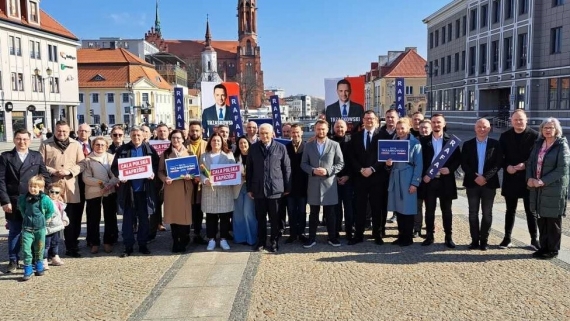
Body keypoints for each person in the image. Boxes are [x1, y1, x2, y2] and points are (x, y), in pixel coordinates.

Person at [0, 128, 50, 273]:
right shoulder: (5, 157)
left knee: (35, 231)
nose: (22, 142)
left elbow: (45, 175)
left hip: (33, 201)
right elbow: (1, 180)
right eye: (19, 139)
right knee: (15, 231)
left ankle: (36, 259)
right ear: (14, 139)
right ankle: (13, 259)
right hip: (14, 200)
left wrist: (49, 195)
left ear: (30, 140)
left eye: (25, 139)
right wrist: (4, 200)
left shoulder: (35, 155)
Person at [111, 126, 159, 257]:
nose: (136, 137)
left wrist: (153, 173)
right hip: (129, 190)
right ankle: (128, 246)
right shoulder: (122, 149)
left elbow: (156, 165)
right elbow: (114, 167)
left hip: (144, 189)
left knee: (144, 218)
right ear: (130, 136)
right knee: (128, 219)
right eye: (133, 135)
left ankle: (143, 244)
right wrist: (120, 176)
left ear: (143, 136)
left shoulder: (149, 149)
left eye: (138, 135)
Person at [39, 120, 85, 258]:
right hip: (53, 187)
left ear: (69, 131)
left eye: (64, 131)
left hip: (71, 187)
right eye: (59, 131)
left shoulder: (75, 144)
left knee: (73, 219)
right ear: (55, 130)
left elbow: (82, 164)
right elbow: (39, 163)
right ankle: (52, 250)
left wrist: (69, 171)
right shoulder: (46, 144)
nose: (62, 133)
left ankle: (72, 246)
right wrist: (53, 170)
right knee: (52, 219)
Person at [526, 117, 570, 260]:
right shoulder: (539, 143)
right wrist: (530, 179)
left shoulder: (561, 145)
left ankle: (553, 249)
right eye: (545, 128)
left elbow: (562, 169)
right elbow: (531, 162)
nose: (548, 130)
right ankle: (543, 246)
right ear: (542, 130)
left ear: (556, 130)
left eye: (551, 128)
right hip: (538, 188)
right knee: (542, 218)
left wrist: (542, 181)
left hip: (554, 189)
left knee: (553, 221)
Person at [246, 123, 291, 252]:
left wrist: (287, 187)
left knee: (275, 218)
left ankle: (274, 242)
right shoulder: (253, 148)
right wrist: (249, 188)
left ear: (272, 134)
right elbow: (249, 169)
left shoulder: (281, 148)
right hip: (258, 189)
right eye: (262, 133)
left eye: (267, 133)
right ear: (258, 134)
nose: (264, 135)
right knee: (260, 218)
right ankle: (261, 242)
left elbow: (286, 168)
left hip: (275, 190)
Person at [498, 109, 539, 249]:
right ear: (511, 121)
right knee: (510, 210)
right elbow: (499, 157)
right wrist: (506, 166)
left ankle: (534, 239)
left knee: (531, 211)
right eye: (515, 120)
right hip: (510, 177)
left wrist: (526, 165)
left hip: (528, 178)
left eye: (521, 119)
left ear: (526, 120)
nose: (518, 122)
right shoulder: (504, 136)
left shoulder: (535, 136)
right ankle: (507, 238)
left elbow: (538, 158)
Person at [419, 114, 461, 248]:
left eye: (439, 122)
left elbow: (457, 159)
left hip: (446, 180)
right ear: (431, 124)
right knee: (429, 211)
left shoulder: (451, 141)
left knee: (447, 211)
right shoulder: (423, 141)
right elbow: (420, 161)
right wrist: (424, 175)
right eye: (434, 122)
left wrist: (450, 169)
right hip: (429, 180)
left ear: (444, 124)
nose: (436, 125)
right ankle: (429, 236)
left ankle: (448, 237)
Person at [301, 120, 344, 248]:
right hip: (314, 183)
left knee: (330, 213)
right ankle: (312, 238)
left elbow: (340, 163)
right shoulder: (308, 146)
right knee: (313, 213)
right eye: (318, 129)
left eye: (323, 129)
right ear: (315, 129)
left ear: (327, 130)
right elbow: (303, 164)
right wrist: (313, 170)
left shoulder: (334, 145)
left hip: (329, 184)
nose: (321, 131)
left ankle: (332, 237)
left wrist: (328, 171)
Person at [461, 118, 503, 251]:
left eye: (484, 127)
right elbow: (464, 164)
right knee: (473, 213)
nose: (482, 129)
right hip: (472, 184)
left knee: (487, 213)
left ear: (489, 128)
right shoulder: (467, 144)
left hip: (489, 184)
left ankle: (484, 241)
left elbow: (498, 164)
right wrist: (475, 177)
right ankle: (474, 240)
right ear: (475, 128)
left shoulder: (495, 144)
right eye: (479, 126)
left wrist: (485, 177)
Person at [347, 110, 385, 245]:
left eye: (372, 119)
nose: (369, 121)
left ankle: (377, 234)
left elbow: (384, 156)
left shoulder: (382, 135)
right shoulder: (355, 137)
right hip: (360, 177)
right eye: (367, 118)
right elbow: (351, 157)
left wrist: (373, 169)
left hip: (377, 177)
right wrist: (361, 169)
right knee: (360, 208)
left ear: (376, 120)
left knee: (377, 208)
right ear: (363, 120)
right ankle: (358, 234)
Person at [385, 118, 423, 246]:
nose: (400, 131)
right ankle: (401, 235)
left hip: (408, 177)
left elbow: (419, 165)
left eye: (403, 128)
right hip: (396, 177)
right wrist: (388, 163)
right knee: (398, 208)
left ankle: (408, 237)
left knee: (408, 209)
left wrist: (415, 183)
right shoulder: (393, 141)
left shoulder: (415, 143)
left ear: (408, 128)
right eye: (398, 128)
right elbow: (389, 161)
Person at [158, 129, 195, 253]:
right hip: (172, 188)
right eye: (173, 138)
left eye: (178, 138)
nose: (176, 140)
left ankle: (184, 239)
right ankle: (175, 241)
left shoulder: (189, 152)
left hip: (185, 187)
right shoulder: (166, 153)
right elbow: (160, 171)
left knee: (184, 216)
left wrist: (192, 175)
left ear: (183, 139)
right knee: (173, 216)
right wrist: (164, 178)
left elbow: (194, 170)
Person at [82, 137, 119, 254]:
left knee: (110, 217)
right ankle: (94, 242)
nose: (100, 147)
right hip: (93, 192)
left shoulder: (111, 158)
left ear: (107, 146)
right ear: (93, 146)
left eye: (102, 145)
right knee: (93, 218)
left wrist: (110, 184)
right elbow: (86, 178)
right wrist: (102, 183)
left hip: (109, 190)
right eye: (97, 144)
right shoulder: (87, 159)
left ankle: (108, 241)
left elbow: (116, 174)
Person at [200, 133, 236, 251]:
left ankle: (223, 238)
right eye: (214, 140)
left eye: (219, 141)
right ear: (210, 142)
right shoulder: (204, 156)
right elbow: (199, 173)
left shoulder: (228, 156)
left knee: (225, 216)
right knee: (211, 216)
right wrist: (205, 180)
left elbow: (233, 173)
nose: (216, 143)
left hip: (225, 190)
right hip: (209, 190)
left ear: (222, 143)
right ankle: (211, 239)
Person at [18, 175, 55, 281]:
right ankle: (28, 269)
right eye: (30, 186)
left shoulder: (45, 199)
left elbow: (50, 210)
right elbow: (22, 209)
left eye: (35, 187)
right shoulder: (24, 199)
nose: (32, 189)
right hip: (27, 229)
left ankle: (39, 266)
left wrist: (45, 218)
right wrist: (25, 218)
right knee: (26, 249)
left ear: (41, 188)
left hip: (40, 229)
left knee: (39, 248)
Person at [285, 124, 309, 244]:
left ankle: (302, 233)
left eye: (297, 132)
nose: (295, 135)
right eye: (293, 132)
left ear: (302, 132)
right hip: (290, 185)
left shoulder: (307, 147)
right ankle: (292, 234)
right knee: (291, 211)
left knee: (302, 211)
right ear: (290, 134)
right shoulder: (285, 147)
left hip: (303, 185)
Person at [186, 121, 209, 245]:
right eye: (192, 130)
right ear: (189, 131)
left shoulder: (207, 145)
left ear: (201, 131)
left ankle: (198, 233)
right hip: (187, 182)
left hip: (202, 182)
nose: (194, 133)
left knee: (200, 209)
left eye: (197, 130)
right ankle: (187, 233)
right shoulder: (184, 145)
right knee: (188, 208)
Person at [331, 119, 354, 240]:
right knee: (336, 208)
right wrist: (334, 176)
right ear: (334, 128)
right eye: (337, 127)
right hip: (333, 179)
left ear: (346, 128)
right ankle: (336, 231)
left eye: (341, 127)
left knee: (349, 208)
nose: (339, 129)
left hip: (349, 179)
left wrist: (348, 176)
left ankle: (349, 232)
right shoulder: (329, 141)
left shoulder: (352, 141)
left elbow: (354, 161)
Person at [233, 136, 257, 246]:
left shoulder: (254, 156)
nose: (243, 145)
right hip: (237, 187)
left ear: (249, 144)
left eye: (245, 143)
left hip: (250, 188)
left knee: (248, 213)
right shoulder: (234, 157)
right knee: (238, 214)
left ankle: (251, 238)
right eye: (240, 143)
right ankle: (240, 238)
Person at [149, 124, 170, 242]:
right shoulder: (150, 146)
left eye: (164, 131)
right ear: (156, 132)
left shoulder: (172, 144)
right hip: (156, 178)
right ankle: (154, 228)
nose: (162, 133)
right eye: (160, 131)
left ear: (168, 132)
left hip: (172, 177)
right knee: (156, 203)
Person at [414, 120, 432, 237]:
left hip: (431, 178)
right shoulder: (415, 142)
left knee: (430, 206)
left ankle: (430, 228)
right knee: (417, 205)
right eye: (422, 128)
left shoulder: (435, 142)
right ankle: (417, 228)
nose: (424, 130)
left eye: (426, 128)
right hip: (418, 178)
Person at [44, 181, 69, 268]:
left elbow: (62, 213)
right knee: (46, 244)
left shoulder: (60, 203)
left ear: (60, 194)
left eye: (57, 192)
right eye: (52, 191)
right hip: (48, 227)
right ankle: (44, 259)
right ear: (48, 191)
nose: (54, 194)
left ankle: (54, 256)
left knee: (55, 242)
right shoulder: (46, 201)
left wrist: (65, 220)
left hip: (57, 227)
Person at [382, 109, 399, 225]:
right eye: (388, 117)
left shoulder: (402, 133)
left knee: (398, 195)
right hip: (382, 170)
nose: (390, 119)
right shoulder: (379, 132)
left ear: (397, 118)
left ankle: (396, 215)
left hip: (398, 170)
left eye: (392, 117)